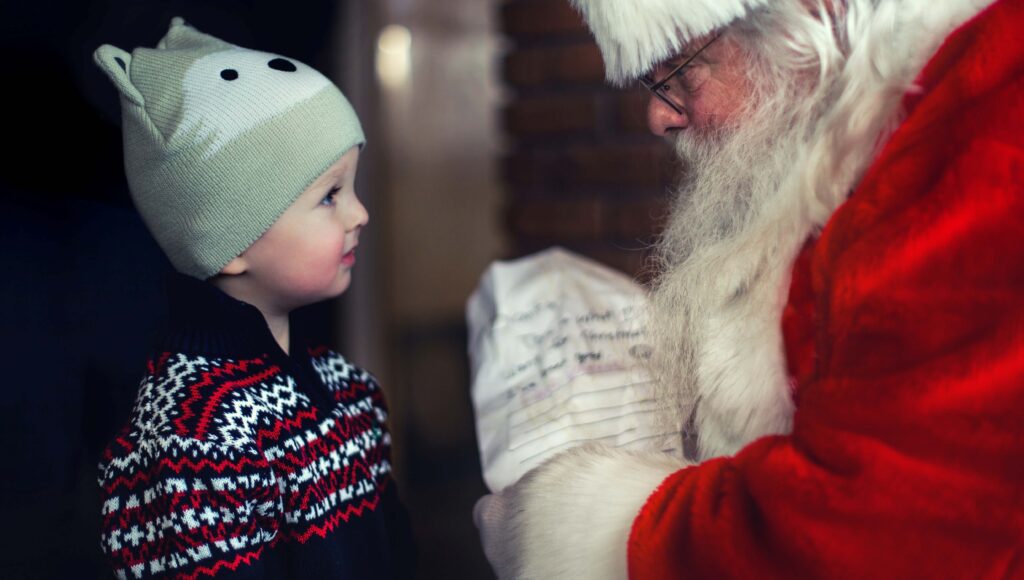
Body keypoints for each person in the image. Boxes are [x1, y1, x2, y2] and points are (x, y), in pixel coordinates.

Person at [474, 0, 1024, 577]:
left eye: (678, 71)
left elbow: (883, 530)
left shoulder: (989, 117)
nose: (658, 118)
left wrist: (585, 526)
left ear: (807, 15)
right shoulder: (892, 129)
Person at [93, 17, 414, 579]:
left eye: (353, 189)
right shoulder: (193, 440)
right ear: (231, 241)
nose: (359, 213)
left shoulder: (350, 390)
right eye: (329, 196)